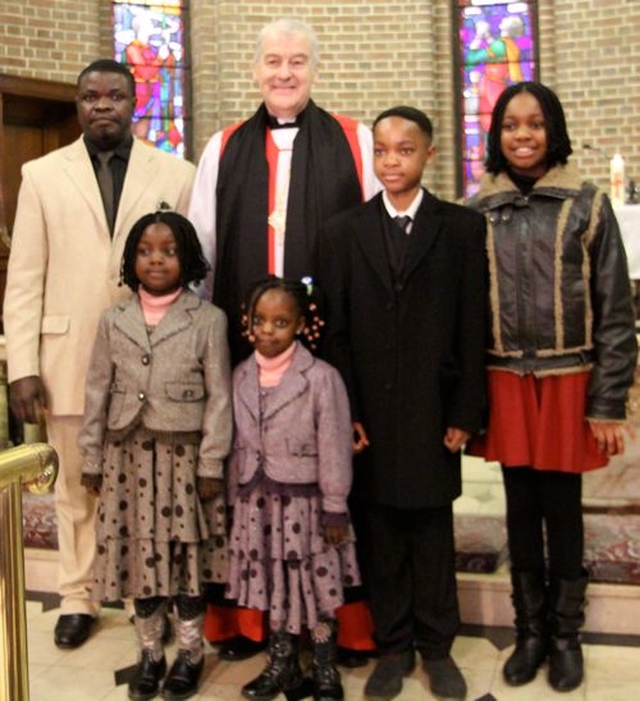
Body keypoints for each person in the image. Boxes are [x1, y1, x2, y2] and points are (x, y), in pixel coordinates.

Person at [188, 17, 378, 662]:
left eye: (297, 62)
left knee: (327, 490)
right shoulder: (223, 147)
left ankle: (338, 629)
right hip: (249, 360)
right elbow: (203, 256)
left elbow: (378, 248)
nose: (284, 73)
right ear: (255, 68)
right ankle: (251, 624)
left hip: (332, 359)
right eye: (273, 61)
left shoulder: (355, 141)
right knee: (251, 488)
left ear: (314, 70)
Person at [2, 58, 195, 650]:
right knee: (74, 488)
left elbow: (192, 271)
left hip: (152, 359)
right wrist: (22, 365)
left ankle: (144, 594)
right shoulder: (42, 174)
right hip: (68, 354)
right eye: (90, 97)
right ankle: (77, 596)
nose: (102, 105)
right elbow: (26, 275)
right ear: (79, 105)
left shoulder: (176, 173)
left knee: (146, 485)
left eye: (114, 96)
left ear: (134, 102)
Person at [466, 82, 637, 693]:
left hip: (568, 378)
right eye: (510, 125)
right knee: (519, 506)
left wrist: (608, 400)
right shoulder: (477, 211)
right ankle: (529, 630)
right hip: (504, 377)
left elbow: (614, 308)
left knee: (561, 507)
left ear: (553, 129)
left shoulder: (586, 206)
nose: (523, 135)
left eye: (535, 124)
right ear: (496, 135)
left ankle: (566, 634)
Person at [320, 106, 487, 701]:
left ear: (429, 155)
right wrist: (348, 412)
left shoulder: (462, 228)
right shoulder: (343, 232)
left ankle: (438, 647)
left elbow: (472, 325)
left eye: (406, 150)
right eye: (383, 150)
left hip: (432, 407)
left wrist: (466, 412)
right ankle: (394, 647)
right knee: (380, 532)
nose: (393, 161)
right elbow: (335, 332)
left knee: (431, 531)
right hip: (369, 413)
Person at [78, 210, 232, 700]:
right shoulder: (113, 319)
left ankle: (190, 652)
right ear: (131, 260)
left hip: (183, 458)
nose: (157, 259)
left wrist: (211, 462)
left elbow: (220, 396)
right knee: (140, 560)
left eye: (168, 251)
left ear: (186, 258)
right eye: (145, 251)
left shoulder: (207, 319)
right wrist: (90, 457)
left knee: (186, 561)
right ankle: (149, 652)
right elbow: (96, 390)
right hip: (127, 457)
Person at [227, 276, 359, 701]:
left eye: (280, 322)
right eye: (260, 321)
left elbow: (336, 445)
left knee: (316, 587)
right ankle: (281, 661)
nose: (268, 330)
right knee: (275, 584)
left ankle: (324, 665)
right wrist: (234, 498)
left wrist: (335, 505)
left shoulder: (321, 378)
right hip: (258, 504)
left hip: (307, 506)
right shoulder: (241, 374)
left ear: (300, 324)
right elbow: (236, 443)